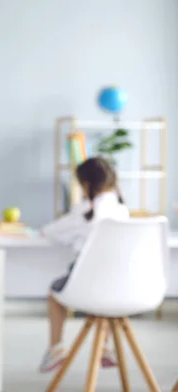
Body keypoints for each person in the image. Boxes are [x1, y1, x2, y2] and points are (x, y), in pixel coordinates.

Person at [38, 156, 129, 373]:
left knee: (55, 292)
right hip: (122, 287)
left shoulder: (85, 210)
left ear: (86, 185)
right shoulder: (122, 211)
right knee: (106, 294)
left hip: (87, 285)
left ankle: (56, 348)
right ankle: (105, 347)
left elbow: (50, 232)